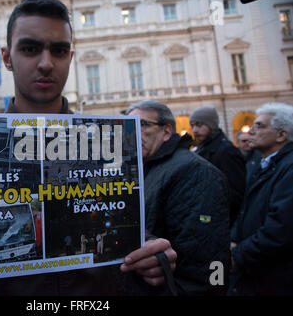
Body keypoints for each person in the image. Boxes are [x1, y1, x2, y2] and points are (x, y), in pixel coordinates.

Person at [0, 0, 177, 296]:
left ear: (70, 57)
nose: (46, 63)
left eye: (59, 50)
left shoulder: (107, 144)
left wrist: (155, 258)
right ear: (6, 57)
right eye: (30, 49)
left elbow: (125, 230)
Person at [126, 100, 230, 295]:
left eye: (143, 125)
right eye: (129, 127)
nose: (132, 133)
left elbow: (206, 264)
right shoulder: (145, 166)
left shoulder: (194, 171)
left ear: (166, 132)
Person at [230, 102, 293, 295]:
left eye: (260, 126)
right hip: (257, 271)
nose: (251, 132)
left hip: (276, 277)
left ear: (281, 135)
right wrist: (234, 239)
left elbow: (281, 229)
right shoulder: (263, 164)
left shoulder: (288, 168)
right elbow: (246, 210)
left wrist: (237, 254)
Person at [190, 105, 246, 227]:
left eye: (199, 125)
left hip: (222, 221)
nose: (194, 130)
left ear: (212, 125)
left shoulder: (226, 151)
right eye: (192, 126)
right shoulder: (202, 148)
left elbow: (235, 194)